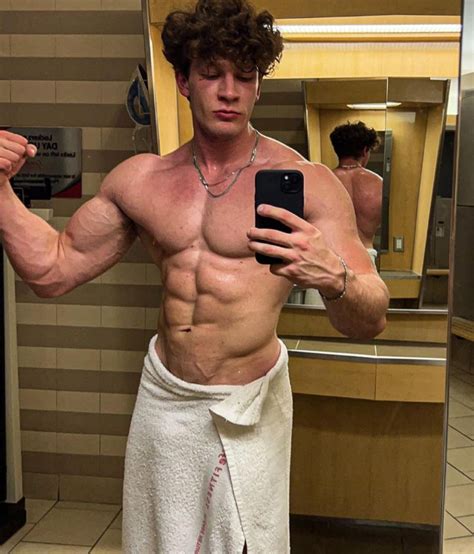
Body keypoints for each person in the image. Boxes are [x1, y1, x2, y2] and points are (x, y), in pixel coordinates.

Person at [0, 1, 389, 551]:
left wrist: (335, 277)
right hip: (166, 401)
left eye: (244, 76)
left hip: (250, 406)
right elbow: (52, 270)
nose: (229, 91)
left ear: (258, 86)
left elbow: (369, 318)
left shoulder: (309, 182)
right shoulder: (142, 180)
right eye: (211, 74)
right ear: (184, 81)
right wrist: (0, 191)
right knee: (160, 541)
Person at [330, 121, 384, 266]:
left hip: (331, 257)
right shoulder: (379, 183)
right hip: (365, 255)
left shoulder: (323, 180)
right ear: (365, 150)